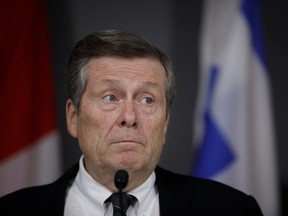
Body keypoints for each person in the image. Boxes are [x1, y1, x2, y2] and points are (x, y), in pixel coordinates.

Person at [0, 29, 263, 215]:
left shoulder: (233, 209)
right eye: (111, 97)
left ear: (165, 124)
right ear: (73, 117)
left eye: (147, 100)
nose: (129, 117)